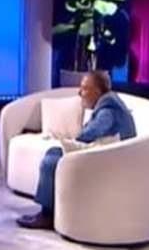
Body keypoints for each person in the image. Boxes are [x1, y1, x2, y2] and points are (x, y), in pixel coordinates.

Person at [16, 70, 137, 230]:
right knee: (54, 152)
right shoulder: (110, 103)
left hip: (109, 162)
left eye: (84, 88)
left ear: (97, 91)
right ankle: (48, 212)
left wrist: (73, 142)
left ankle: (47, 215)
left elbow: (92, 132)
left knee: (52, 159)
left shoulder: (108, 109)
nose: (80, 93)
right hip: (109, 156)